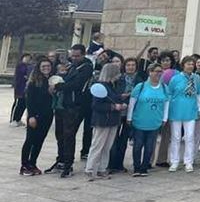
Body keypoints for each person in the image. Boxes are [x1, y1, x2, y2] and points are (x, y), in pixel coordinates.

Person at [50, 44, 93, 178]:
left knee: (69, 135)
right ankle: (61, 159)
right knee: (60, 134)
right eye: (72, 55)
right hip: (61, 105)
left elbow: (77, 84)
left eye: (77, 56)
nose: (74, 58)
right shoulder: (71, 66)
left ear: (84, 54)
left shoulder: (86, 67)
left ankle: (68, 164)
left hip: (74, 106)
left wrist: (58, 85)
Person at [85, 63, 126, 181]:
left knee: (107, 146)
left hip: (113, 120)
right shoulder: (100, 86)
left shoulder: (112, 85)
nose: (119, 76)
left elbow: (115, 98)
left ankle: (102, 168)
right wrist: (113, 107)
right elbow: (96, 105)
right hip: (103, 120)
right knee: (98, 144)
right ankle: (91, 168)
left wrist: (121, 102)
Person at [127, 63, 168, 177]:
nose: (158, 74)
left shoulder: (164, 88)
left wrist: (164, 118)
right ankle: (137, 167)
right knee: (138, 145)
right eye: (156, 71)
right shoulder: (140, 86)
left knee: (150, 146)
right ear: (150, 72)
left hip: (155, 121)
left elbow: (166, 103)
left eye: (160, 72)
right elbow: (132, 102)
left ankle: (144, 167)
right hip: (139, 120)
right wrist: (129, 117)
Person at [166, 56, 200, 173]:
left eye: (192, 64)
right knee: (176, 137)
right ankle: (174, 161)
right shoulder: (175, 79)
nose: (190, 66)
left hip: (191, 110)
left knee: (190, 136)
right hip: (176, 110)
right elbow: (169, 94)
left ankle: (188, 161)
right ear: (183, 65)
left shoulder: (196, 78)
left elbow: (199, 94)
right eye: (188, 64)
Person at [106, 57, 141, 173]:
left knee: (124, 139)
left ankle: (119, 164)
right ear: (124, 67)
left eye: (133, 65)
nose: (130, 67)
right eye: (128, 65)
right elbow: (112, 94)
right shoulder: (118, 79)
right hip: (118, 111)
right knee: (113, 139)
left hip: (131, 113)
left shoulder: (140, 80)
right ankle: (111, 164)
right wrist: (121, 96)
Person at [20, 57, 53, 175]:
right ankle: (24, 165)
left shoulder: (52, 81)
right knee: (30, 140)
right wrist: (31, 116)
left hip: (47, 115)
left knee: (39, 141)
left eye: (48, 66)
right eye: (43, 66)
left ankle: (32, 163)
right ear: (39, 68)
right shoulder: (34, 82)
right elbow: (30, 101)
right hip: (35, 115)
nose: (46, 68)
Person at [11, 53, 32, 127]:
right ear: (22, 58)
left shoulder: (28, 66)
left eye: (29, 58)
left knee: (23, 105)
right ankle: (13, 120)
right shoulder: (20, 65)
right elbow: (25, 74)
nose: (27, 59)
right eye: (26, 57)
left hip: (25, 89)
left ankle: (18, 119)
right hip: (19, 88)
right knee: (18, 104)